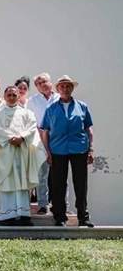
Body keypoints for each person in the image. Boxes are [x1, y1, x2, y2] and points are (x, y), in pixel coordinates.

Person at [40, 75, 95, 227]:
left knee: (80, 184)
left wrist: (90, 149)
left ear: (72, 88)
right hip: (58, 149)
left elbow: (88, 129)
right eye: (62, 87)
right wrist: (48, 152)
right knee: (58, 184)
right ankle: (59, 217)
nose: (65, 89)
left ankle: (83, 216)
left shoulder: (82, 106)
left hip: (79, 149)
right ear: (57, 89)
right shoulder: (51, 108)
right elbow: (44, 131)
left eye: (68, 86)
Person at [0, 86, 46, 226]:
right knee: (6, 182)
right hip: (4, 152)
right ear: (5, 95)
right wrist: (11, 138)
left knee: (22, 182)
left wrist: (21, 137)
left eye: (14, 95)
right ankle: (8, 216)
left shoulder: (27, 113)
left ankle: (24, 214)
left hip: (21, 151)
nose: (12, 97)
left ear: (18, 96)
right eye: (9, 95)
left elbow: (32, 128)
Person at [26, 73, 58, 214]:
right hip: (40, 140)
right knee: (42, 175)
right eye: (38, 84)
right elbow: (29, 120)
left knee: (60, 175)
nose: (41, 85)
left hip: (59, 140)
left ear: (50, 82)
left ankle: (62, 204)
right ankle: (42, 204)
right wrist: (39, 131)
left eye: (44, 81)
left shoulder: (59, 98)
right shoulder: (33, 100)